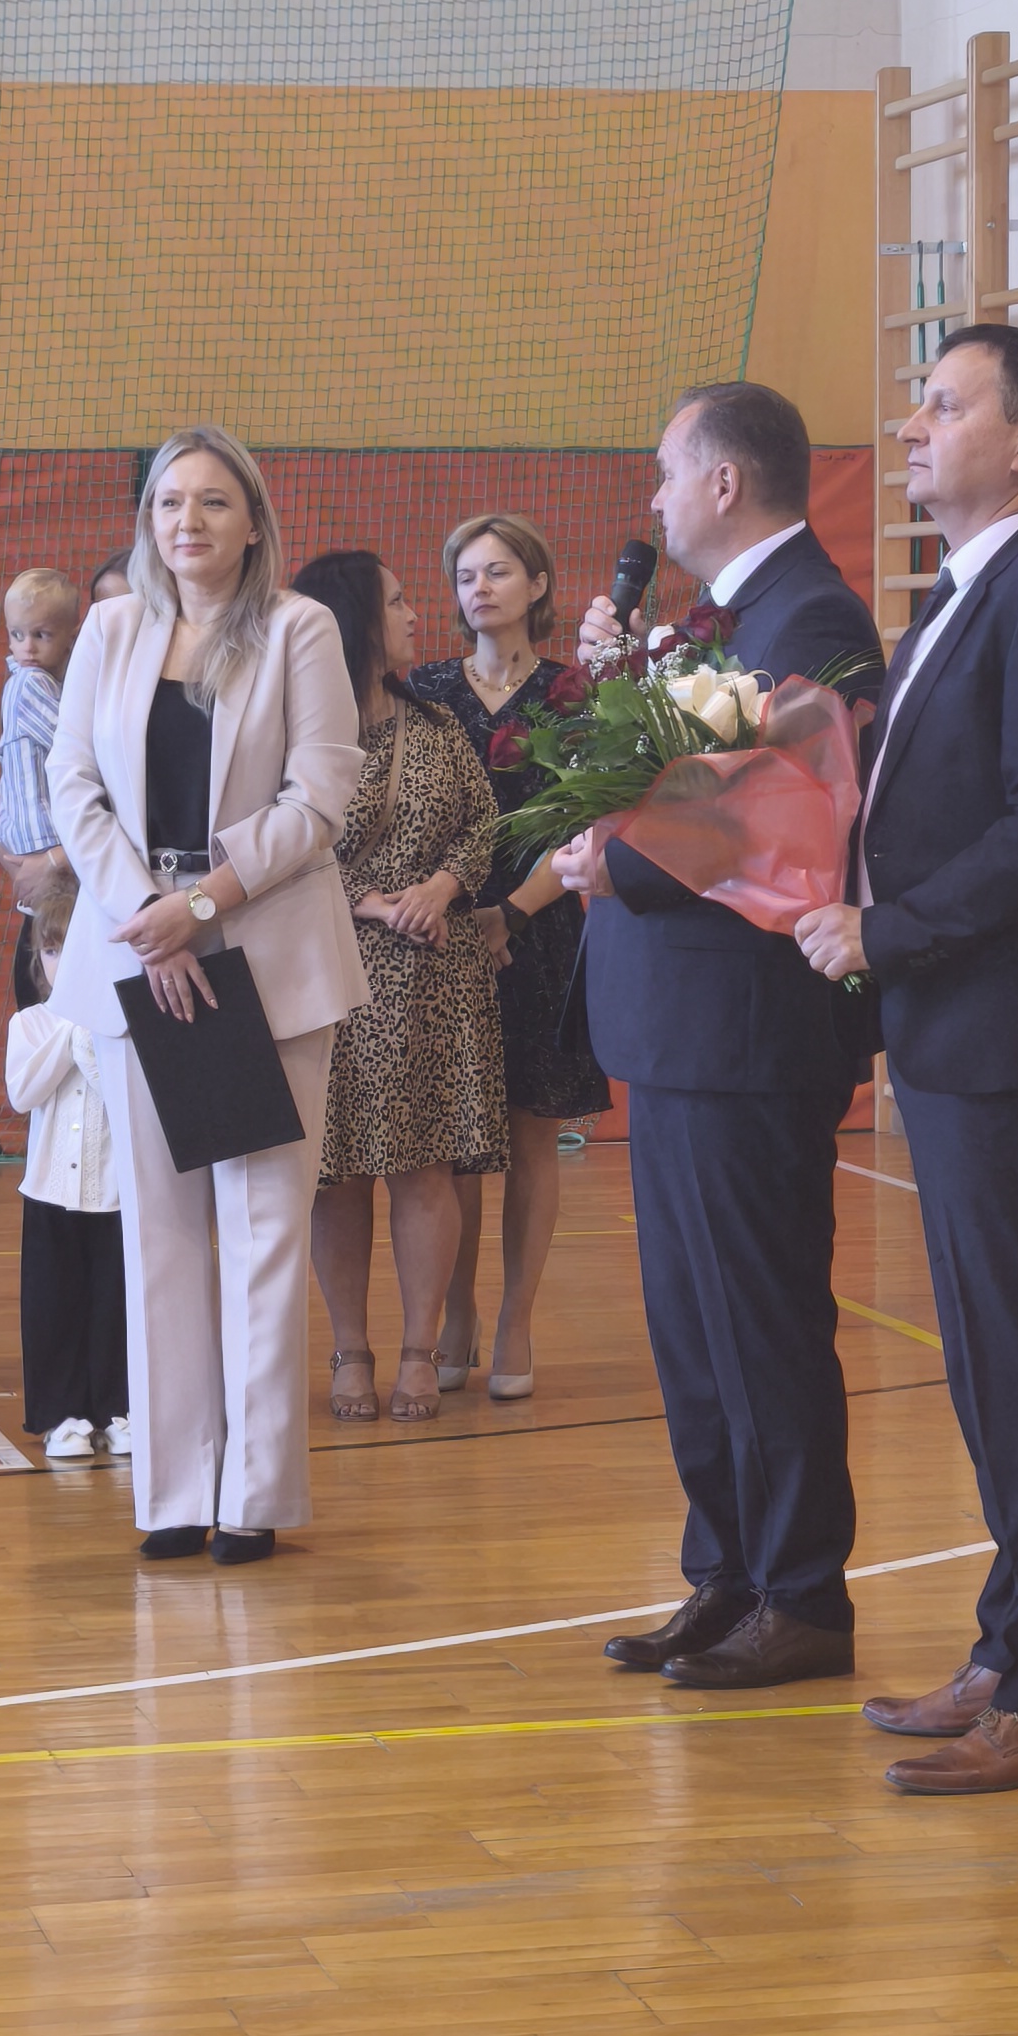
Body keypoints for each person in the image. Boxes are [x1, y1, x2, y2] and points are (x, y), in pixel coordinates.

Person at [795, 323, 1018, 1800]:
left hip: (1016, 1032)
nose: (913, 427)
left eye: (944, 405)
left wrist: (892, 930)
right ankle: (1011, 1645)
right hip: (958, 1027)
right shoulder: (965, 589)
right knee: (990, 1361)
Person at [565, 381, 886, 1688]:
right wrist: (624, 679)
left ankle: (800, 1592)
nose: (651, 500)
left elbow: (757, 807)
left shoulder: (808, 617)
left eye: (664, 472)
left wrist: (614, 858)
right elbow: (671, 765)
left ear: (722, 482)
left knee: (757, 1317)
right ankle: (730, 1572)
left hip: (744, 1026)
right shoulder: (724, 618)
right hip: (682, 1024)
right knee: (694, 1325)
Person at [48, 425, 364, 1565]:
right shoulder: (109, 628)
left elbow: (319, 798)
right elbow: (73, 784)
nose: (189, 520)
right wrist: (153, 914)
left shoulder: (299, 628)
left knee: (266, 1228)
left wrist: (205, 903)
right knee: (162, 1230)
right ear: (149, 521)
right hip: (139, 952)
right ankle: (177, 1492)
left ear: (253, 521)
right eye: (170, 501)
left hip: (265, 956)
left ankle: (255, 1494)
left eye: (214, 501)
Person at [293, 549, 504, 1425]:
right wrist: (373, 902)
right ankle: (351, 1350)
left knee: (423, 1171)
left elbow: (485, 822)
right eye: (398, 600)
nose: (417, 614)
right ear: (355, 623)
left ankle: (421, 1351)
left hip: (434, 984)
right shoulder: (299, 735)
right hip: (330, 980)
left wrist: (444, 887)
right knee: (335, 1177)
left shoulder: (437, 723)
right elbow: (273, 847)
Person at [413, 513, 607, 1399]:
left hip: (541, 927)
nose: (479, 588)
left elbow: (587, 820)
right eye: (465, 576)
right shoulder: (423, 690)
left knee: (532, 1131)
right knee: (452, 1139)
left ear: (537, 584)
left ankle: (515, 1322)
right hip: (444, 933)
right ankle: (451, 1313)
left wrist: (516, 913)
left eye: (496, 571)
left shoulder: (574, 693)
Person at [7, 882, 130, 1464]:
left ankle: (119, 1409)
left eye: (75, 948)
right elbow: (24, 1093)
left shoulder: (123, 1020)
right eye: (52, 951)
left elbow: (121, 1095)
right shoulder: (31, 1023)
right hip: (50, 1193)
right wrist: (74, 1024)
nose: (63, 962)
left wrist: (96, 1022)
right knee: (53, 1308)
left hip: (117, 1192)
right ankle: (62, 1417)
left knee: (115, 1306)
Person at [0, 560, 130, 1012]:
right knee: (50, 970)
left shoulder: (50, 681)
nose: (27, 647)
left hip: (82, 859)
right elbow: (73, 745)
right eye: (17, 635)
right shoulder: (36, 682)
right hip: (46, 837)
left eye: (41, 635)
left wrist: (56, 858)